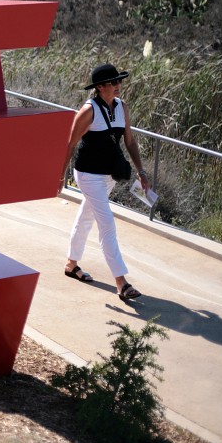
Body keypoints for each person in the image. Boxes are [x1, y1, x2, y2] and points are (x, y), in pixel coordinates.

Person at [62, 64, 149, 301]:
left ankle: (71, 264)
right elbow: (69, 144)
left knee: (86, 217)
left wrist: (141, 171)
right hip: (88, 175)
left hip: (110, 175)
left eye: (119, 81)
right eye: (113, 82)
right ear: (100, 87)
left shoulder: (122, 107)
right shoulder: (88, 111)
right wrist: (60, 177)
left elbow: (129, 141)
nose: (118, 85)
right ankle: (121, 282)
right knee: (107, 224)